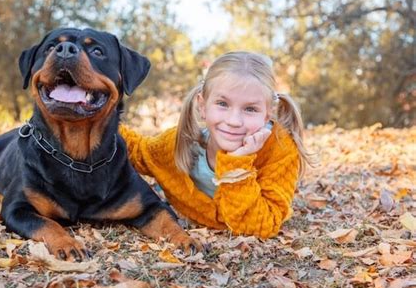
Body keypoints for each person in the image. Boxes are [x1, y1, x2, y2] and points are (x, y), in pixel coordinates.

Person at [119, 51, 312, 238]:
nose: (234, 120)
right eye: (222, 104)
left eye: (250, 109)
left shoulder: (280, 149)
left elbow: (260, 227)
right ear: (203, 106)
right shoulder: (182, 143)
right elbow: (137, 151)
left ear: (267, 114)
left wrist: (237, 164)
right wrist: (96, 119)